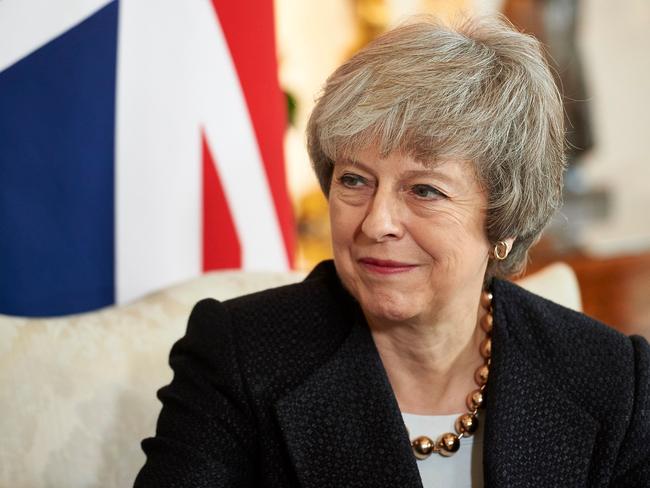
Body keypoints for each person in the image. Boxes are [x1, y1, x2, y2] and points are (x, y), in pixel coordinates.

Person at [134, 15, 650, 487]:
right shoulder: (238, 356)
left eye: (424, 190)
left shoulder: (612, 380)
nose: (376, 223)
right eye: (354, 180)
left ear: (504, 220)